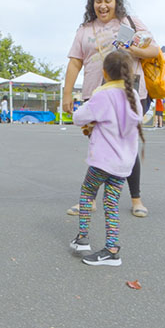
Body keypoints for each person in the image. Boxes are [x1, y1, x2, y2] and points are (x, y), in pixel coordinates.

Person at [62, 0, 160, 218]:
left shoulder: (131, 22)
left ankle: (136, 198)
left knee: (128, 144)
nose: (102, 5)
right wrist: (67, 93)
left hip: (129, 92)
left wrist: (133, 49)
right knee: (99, 144)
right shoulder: (85, 29)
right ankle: (92, 199)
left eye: (107, 0)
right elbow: (75, 61)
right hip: (96, 93)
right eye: (98, 1)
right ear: (92, 4)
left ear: (116, 1)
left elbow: (154, 51)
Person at [68, 50, 143, 267]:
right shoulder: (134, 97)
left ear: (104, 72)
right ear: (130, 73)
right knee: (111, 203)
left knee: (88, 192)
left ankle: (82, 238)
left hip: (103, 161)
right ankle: (112, 249)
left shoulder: (103, 95)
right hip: (124, 163)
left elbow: (78, 117)